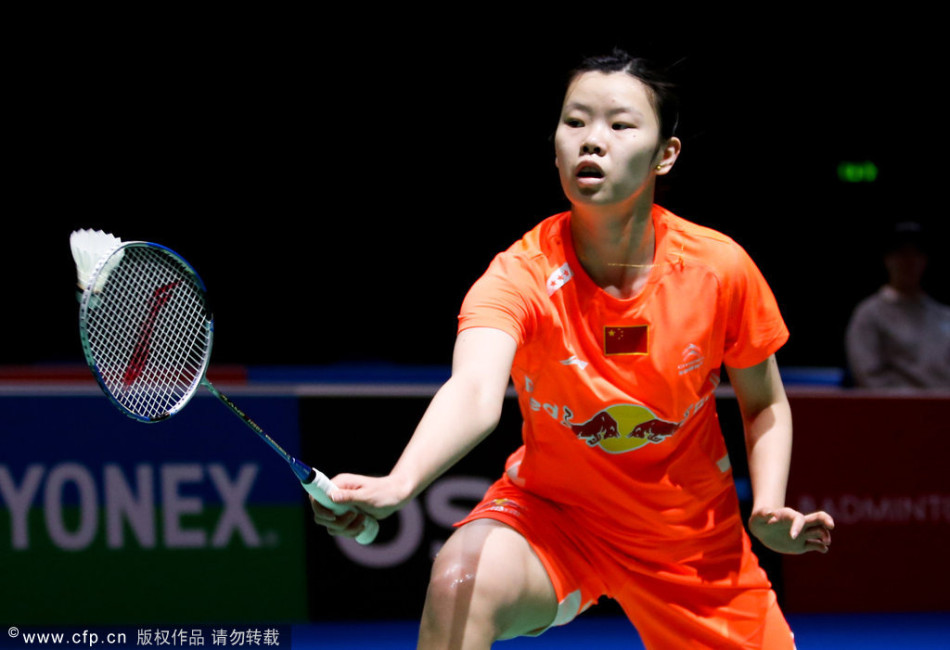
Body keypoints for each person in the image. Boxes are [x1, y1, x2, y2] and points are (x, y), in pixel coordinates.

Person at [311, 50, 834, 649]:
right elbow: (475, 391)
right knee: (460, 581)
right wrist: (399, 483)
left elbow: (763, 402)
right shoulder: (519, 276)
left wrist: (767, 506)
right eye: (575, 121)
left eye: (620, 124)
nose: (592, 141)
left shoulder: (719, 270)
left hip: (688, 536)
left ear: (667, 154)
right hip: (557, 516)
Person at [845, 221, 950, 388]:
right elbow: (869, 377)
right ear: (888, 259)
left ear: (924, 260)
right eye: (902, 253)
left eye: (916, 253)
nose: (909, 261)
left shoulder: (944, 315)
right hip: (896, 410)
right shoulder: (869, 314)